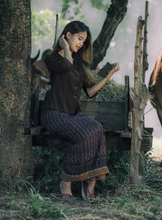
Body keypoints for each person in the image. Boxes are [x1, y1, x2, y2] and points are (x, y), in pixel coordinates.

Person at [40, 20, 119, 201]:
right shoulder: (52, 59)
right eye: (79, 38)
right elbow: (65, 65)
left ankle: (90, 180)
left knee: (97, 128)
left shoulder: (79, 64)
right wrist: (65, 47)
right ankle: (65, 183)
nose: (81, 43)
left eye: (83, 41)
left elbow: (90, 92)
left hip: (71, 115)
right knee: (85, 135)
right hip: (53, 113)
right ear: (67, 35)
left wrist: (109, 74)